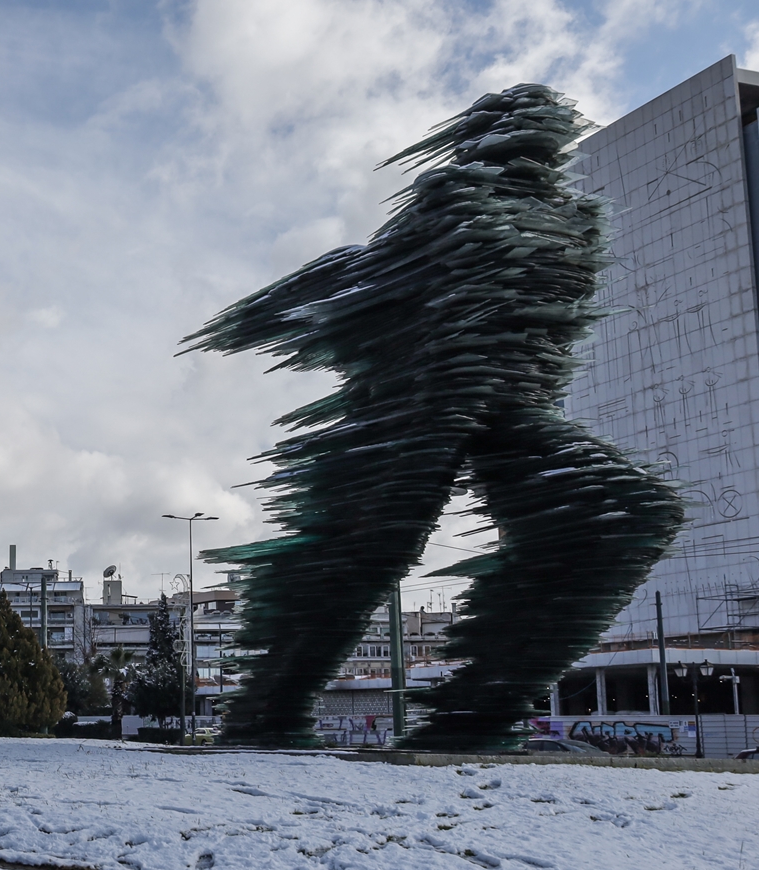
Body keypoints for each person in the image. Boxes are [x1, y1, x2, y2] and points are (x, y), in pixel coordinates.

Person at [185, 84, 683, 750]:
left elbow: (550, 340)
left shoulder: (578, 226)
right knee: (365, 551)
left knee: (634, 514)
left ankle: (474, 710)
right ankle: (269, 710)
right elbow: (380, 284)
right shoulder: (454, 203)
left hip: (509, 411)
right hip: (416, 409)